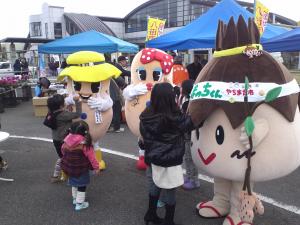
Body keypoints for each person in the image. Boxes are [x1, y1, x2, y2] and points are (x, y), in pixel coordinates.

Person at [140, 83, 195, 225]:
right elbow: (191, 123)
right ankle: (168, 220)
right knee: (170, 189)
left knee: (154, 185)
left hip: (153, 157)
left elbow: (144, 138)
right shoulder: (175, 117)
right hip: (170, 159)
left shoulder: (146, 115)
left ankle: (150, 215)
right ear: (171, 98)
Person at [61, 120, 100, 211]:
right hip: (81, 168)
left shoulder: (66, 141)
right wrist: (96, 168)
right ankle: (79, 204)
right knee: (82, 185)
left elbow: (63, 152)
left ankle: (75, 199)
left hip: (69, 167)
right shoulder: (85, 145)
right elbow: (92, 158)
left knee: (74, 183)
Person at [45, 94, 81, 183]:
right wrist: (77, 101)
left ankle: (60, 174)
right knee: (64, 158)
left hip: (56, 139)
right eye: (64, 102)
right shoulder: (63, 115)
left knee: (63, 157)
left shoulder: (51, 112)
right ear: (61, 105)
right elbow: (78, 114)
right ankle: (57, 175)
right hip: (64, 140)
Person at [178, 79, 200, 190]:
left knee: (190, 157)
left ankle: (194, 180)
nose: (180, 88)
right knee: (187, 157)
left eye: (181, 87)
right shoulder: (187, 99)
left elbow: (186, 119)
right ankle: (189, 176)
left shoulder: (189, 103)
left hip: (189, 134)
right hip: (188, 134)